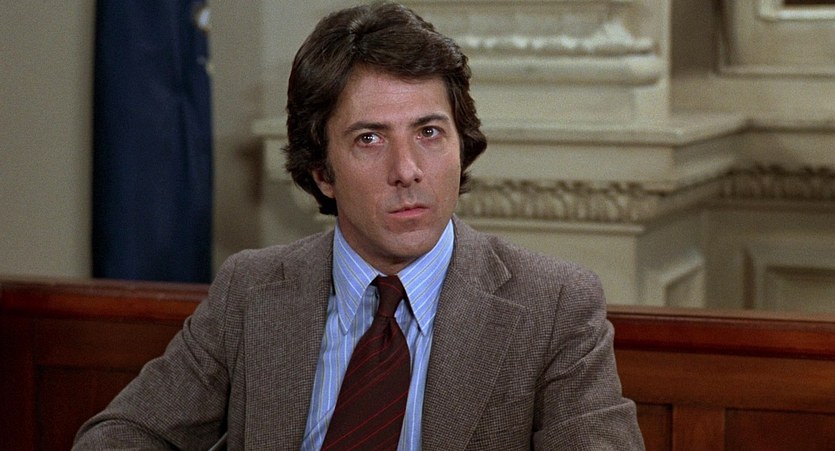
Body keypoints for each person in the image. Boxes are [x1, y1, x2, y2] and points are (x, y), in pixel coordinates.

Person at [74, 2, 644, 450]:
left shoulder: (553, 306)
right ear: (322, 172)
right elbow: (122, 435)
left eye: (429, 132)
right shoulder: (250, 291)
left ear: (461, 144)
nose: (407, 170)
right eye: (369, 139)